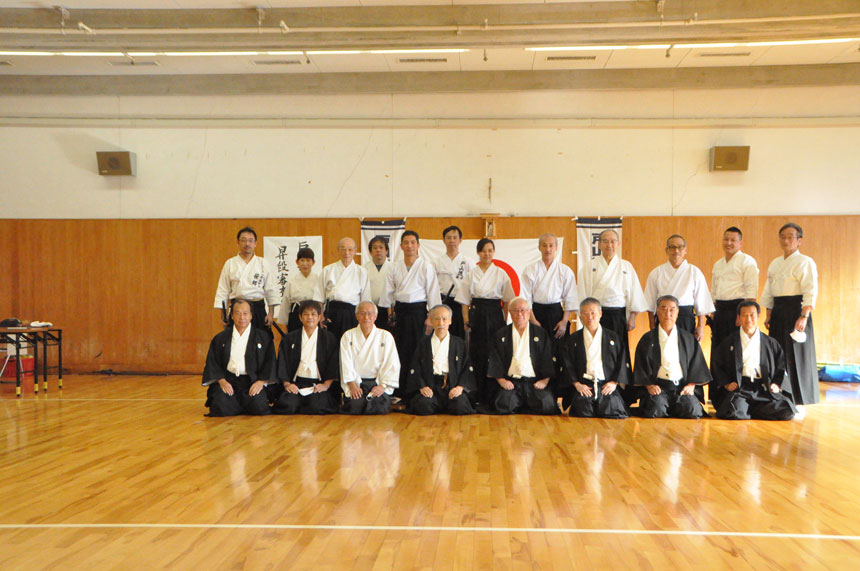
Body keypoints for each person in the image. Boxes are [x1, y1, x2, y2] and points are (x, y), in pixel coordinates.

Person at [761, 222, 819, 414]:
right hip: (778, 310)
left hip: (797, 310)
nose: (786, 241)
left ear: (799, 241)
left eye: (790, 237)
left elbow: (810, 290)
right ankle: (780, 394)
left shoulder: (805, 262)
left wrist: (804, 315)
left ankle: (799, 400)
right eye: (783, 237)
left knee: (797, 355)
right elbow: (769, 290)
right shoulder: (775, 263)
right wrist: (769, 313)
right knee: (778, 352)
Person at [711, 301, 796, 420]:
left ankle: (749, 409)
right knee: (732, 412)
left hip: (763, 388)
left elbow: (781, 366)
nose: (748, 319)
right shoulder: (729, 342)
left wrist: (776, 384)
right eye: (744, 315)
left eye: (752, 315)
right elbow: (717, 365)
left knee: (787, 411)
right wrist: (726, 384)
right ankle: (753, 409)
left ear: (759, 316)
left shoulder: (770, 343)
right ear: (738, 317)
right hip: (741, 388)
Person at [455, 238, 516, 405]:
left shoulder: (501, 273)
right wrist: (466, 320)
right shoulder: (471, 274)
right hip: (477, 314)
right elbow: (464, 301)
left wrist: (504, 319)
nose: (487, 254)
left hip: (495, 314)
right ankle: (477, 393)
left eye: (490, 250)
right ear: (478, 252)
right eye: (483, 250)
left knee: (495, 352)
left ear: (493, 252)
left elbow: (507, 300)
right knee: (477, 353)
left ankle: (494, 393)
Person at [520, 233, 578, 406]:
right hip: (536, 313)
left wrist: (565, 321)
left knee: (560, 352)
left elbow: (570, 297)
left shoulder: (564, 270)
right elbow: (526, 298)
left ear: (556, 248)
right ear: (539, 247)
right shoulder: (530, 270)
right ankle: (538, 392)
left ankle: (560, 393)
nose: (548, 249)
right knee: (537, 351)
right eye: (544, 245)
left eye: (551, 245)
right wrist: (533, 320)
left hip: (557, 314)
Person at [379, 231, 441, 391]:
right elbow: (388, 294)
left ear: (418, 245)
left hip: (419, 312)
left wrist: (431, 318)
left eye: (413, 242)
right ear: (401, 246)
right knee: (399, 350)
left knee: (418, 350)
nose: (409, 246)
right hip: (400, 313)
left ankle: (417, 388)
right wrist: (390, 315)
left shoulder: (426, 266)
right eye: (406, 242)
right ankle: (400, 389)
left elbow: (433, 294)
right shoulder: (395, 267)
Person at [633, 295, 711, 419]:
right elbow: (640, 366)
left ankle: (676, 406)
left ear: (677, 312)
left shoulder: (688, 338)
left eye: (672, 309)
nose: (668, 313)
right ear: (657, 311)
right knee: (656, 409)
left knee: (692, 410)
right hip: (659, 388)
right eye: (663, 309)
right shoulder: (647, 339)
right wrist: (649, 385)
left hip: (682, 387)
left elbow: (697, 366)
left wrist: (691, 385)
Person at [201, 299, 274, 416]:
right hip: (229, 380)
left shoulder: (263, 337)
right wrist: (222, 381)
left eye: (245, 313)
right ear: (232, 316)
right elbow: (213, 363)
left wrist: (261, 382)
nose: (242, 317)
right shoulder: (221, 338)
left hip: (252, 381)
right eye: (238, 313)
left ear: (251, 316)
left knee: (259, 407)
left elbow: (270, 362)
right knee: (220, 407)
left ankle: (241, 404)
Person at [560, 298, 630, 419]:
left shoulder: (613, 337)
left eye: (593, 313)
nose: (590, 317)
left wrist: (614, 383)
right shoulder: (573, 339)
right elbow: (567, 364)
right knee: (583, 411)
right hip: (584, 385)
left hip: (606, 384)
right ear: (580, 316)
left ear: (600, 313)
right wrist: (577, 384)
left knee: (613, 410)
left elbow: (622, 362)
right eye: (585, 313)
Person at [487, 297, 559, 415]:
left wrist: (544, 381)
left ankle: (522, 404)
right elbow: (496, 359)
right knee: (504, 404)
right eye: (515, 310)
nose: (519, 314)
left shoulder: (540, 333)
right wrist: (502, 381)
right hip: (512, 382)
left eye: (523, 310)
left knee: (547, 405)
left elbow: (547, 357)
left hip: (534, 382)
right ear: (510, 313)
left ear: (529, 312)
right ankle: (522, 403)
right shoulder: (501, 334)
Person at [271, 300, 340, 415]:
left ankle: (304, 403)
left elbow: (333, 364)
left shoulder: (329, 338)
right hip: (296, 383)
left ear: (319, 317)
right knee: (288, 405)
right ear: (300, 317)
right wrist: (287, 384)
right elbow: (283, 362)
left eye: (313, 314)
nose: (310, 317)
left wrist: (325, 385)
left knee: (316, 406)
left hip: (318, 384)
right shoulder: (290, 338)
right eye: (306, 314)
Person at [405, 304, 475, 416]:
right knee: (423, 406)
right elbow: (415, 366)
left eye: (444, 319)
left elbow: (467, 367)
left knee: (460, 406)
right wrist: (422, 386)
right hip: (431, 385)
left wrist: (460, 387)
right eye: (437, 319)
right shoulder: (424, 343)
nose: (441, 323)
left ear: (450, 321)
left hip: (451, 385)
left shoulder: (459, 343)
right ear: (431, 321)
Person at [643, 235, 715, 341]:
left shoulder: (694, 272)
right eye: (672, 247)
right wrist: (652, 326)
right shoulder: (656, 273)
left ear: (685, 250)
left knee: (686, 348)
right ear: (667, 250)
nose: (676, 250)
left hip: (685, 319)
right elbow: (650, 304)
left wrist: (700, 326)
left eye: (680, 247)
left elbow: (702, 302)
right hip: (664, 318)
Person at [213, 226, 279, 335]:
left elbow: (271, 289)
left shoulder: (263, 263)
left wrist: (271, 313)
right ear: (238, 242)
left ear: (255, 243)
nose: (247, 243)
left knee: (261, 339)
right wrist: (223, 314)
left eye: (250, 240)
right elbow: (223, 289)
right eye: (243, 240)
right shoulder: (230, 263)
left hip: (257, 308)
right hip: (237, 307)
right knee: (235, 338)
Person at [340, 301, 401, 415]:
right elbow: (345, 362)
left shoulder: (385, 336)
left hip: (377, 382)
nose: (366, 317)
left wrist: (382, 386)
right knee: (355, 406)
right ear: (356, 316)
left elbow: (392, 363)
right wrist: (352, 385)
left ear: (375, 316)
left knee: (379, 407)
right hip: (357, 383)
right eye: (362, 313)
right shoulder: (348, 336)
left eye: (369, 313)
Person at [710, 227, 759, 356]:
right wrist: (713, 311)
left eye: (733, 240)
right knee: (718, 348)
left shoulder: (747, 261)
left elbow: (751, 291)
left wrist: (743, 315)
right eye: (726, 239)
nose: (729, 243)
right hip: (720, 310)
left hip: (737, 309)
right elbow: (714, 290)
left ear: (740, 243)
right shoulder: (718, 264)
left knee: (736, 348)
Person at [313, 237, 371, 342]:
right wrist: (320, 316)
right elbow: (319, 296)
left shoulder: (362, 272)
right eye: (343, 249)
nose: (346, 252)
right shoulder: (328, 270)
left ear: (355, 251)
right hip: (332, 313)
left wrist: (363, 318)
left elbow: (365, 299)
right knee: (331, 344)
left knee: (350, 343)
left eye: (350, 249)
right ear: (338, 250)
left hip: (352, 314)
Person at [432, 225, 473, 338]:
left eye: (455, 237)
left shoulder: (468, 261)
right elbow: (432, 286)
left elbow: (473, 285)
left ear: (460, 240)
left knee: (459, 336)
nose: (452, 240)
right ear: (443, 240)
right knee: (442, 334)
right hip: (443, 301)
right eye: (449, 238)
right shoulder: (436, 262)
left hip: (461, 304)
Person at [276, 247, 320, 333]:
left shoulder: (318, 279)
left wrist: (322, 317)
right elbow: (286, 301)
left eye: (308, 260)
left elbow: (322, 301)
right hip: (296, 314)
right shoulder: (292, 281)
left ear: (313, 262)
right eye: (302, 260)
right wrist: (286, 322)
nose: (305, 264)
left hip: (313, 314)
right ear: (297, 262)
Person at [363, 236, 392, 331]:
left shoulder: (393, 268)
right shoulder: (364, 269)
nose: (378, 250)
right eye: (375, 248)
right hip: (370, 309)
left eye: (381, 247)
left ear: (386, 251)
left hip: (389, 310)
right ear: (370, 252)